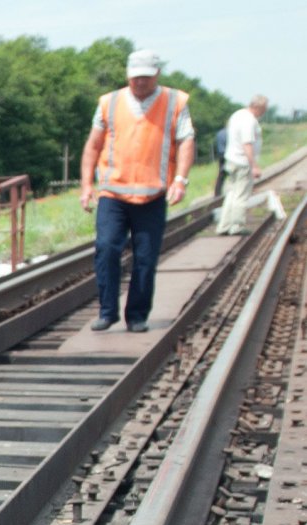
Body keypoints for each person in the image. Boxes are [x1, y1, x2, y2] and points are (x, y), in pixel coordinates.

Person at [78, 48, 195, 332]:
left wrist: (180, 179)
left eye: (145, 77)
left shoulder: (174, 101)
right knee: (106, 248)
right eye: (134, 77)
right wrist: (86, 185)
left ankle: (137, 316)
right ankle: (107, 312)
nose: (139, 82)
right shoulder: (109, 102)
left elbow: (186, 141)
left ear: (157, 74)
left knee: (146, 257)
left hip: (152, 193)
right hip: (113, 192)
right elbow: (93, 145)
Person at [217, 95, 284, 234]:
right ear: (258, 107)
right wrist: (254, 165)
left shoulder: (237, 114)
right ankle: (237, 226)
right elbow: (247, 144)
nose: (264, 112)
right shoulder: (249, 120)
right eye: (264, 109)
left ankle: (223, 226)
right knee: (241, 195)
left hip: (231, 159)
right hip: (242, 162)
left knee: (232, 194)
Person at [213, 123, 229, 197]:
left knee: (221, 174)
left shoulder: (219, 133)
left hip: (221, 154)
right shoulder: (229, 132)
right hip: (228, 154)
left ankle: (217, 193)